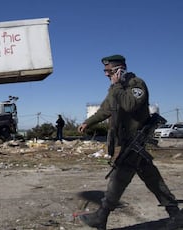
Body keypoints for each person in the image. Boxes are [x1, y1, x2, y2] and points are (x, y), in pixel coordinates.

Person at [77, 55, 183, 229]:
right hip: (124, 142)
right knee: (151, 177)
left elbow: (129, 105)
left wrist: (118, 85)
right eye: (105, 71)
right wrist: (88, 122)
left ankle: (101, 216)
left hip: (134, 142)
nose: (106, 74)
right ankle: (175, 214)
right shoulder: (114, 89)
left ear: (121, 69)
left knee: (118, 179)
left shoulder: (136, 84)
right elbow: (105, 110)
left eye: (109, 70)